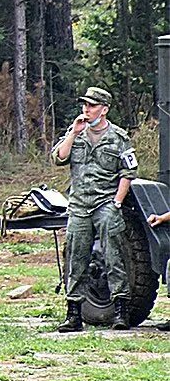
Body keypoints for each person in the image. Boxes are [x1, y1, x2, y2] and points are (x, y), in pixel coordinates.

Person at [52, 85, 138, 332]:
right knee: (77, 258)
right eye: (85, 105)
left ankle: (120, 310)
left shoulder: (118, 138)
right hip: (79, 205)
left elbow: (128, 172)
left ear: (104, 109)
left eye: (91, 106)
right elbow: (58, 158)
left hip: (105, 204)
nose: (86, 110)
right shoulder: (76, 133)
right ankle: (73, 314)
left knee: (114, 256)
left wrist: (117, 202)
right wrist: (73, 133)